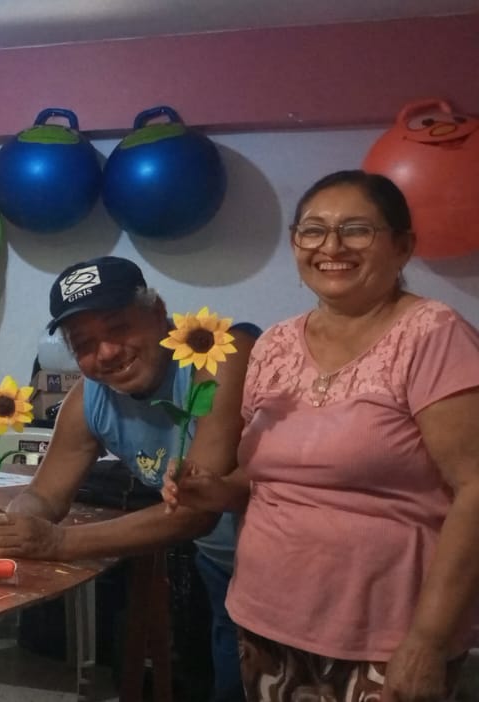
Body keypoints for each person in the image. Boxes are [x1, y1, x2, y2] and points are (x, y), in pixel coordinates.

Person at [168, 170, 479, 701]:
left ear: (402, 246)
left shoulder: (433, 335)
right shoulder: (274, 344)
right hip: (267, 618)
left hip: (386, 633)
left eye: (357, 230)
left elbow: (474, 487)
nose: (331, 247)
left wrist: (428, 640)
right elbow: (265, 477)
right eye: (312, 230)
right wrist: (215, 490)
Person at [0, 255, 256, 702]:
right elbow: (45, 495)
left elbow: (197, 512)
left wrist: (58, 543)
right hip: (223, 570)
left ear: (158, 313)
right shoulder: (89, 400)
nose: (106, 352)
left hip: (293, 568)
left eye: (119, 328)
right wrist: (7, 526)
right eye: (84, 343)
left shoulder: (217, 357)